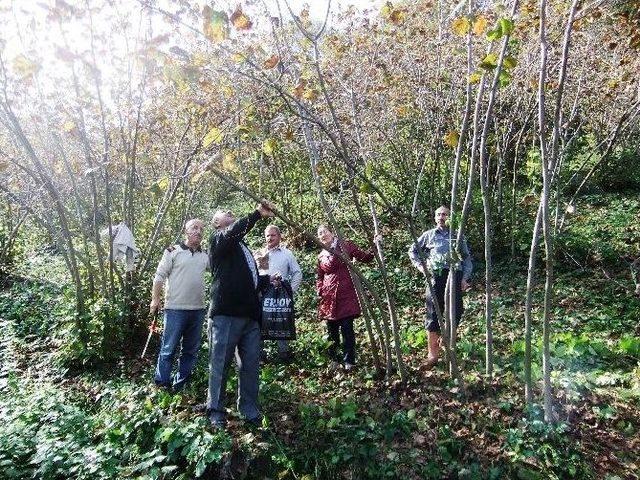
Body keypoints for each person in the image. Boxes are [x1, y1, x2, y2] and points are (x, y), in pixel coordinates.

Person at [206, 202, 278, 428]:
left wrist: (267, 280)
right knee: (221, 363)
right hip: (227, 313)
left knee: (250, 365)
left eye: (230, 211)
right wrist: (257, 214)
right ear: (217, 223)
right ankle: (215, 410)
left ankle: (249, 410)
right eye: (223, 212)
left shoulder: (241, 246)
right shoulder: (218, 240)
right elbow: (234, 232)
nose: (229, 211)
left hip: (250, 316)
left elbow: (248, 279)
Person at [408, 205, 472, 368]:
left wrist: (464, 278)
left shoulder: (457, 236)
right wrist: (422, 267)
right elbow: (412, 251)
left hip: (454, 276)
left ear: (450, 217)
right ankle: (432, 355)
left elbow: (466, 259)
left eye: (445, 214)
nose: (442, 217)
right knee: (433, 313)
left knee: (456, 310)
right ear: (435, 217)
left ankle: (448, 345)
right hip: (435, 277)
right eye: (439, 214)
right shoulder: (428, 235)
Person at [150, 219, 209, 392]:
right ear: (186, 231)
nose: (198, 231)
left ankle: (180, 384)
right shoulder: (173, 251)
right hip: (175, 308)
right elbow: (159, 276)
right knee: (168, 348)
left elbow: (220, 270)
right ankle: (162, 383)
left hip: (197, 310)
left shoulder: (205, 254)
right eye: (194, 228)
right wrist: (155, 299)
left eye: (201, 229)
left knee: (190, 351)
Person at [316, 225, 375, 371]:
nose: (323, 235)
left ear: (332, 232)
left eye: (325, 232)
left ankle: (349, 361)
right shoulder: (321, 255)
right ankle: (334, 361)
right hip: (329, 297)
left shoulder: (345, 245)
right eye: (319, 234)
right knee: (332, 331)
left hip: (346, 294)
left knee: (347, 329)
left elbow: (364, 257)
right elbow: (320, 276)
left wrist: (375, 245)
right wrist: (320, 290)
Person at [257, 225, 302, 363]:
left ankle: (284, 353)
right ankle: (260, 355)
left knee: (281, 321)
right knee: (260, 322)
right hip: (262, 294)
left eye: (273, 235)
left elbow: (297, 273)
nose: (270, 238)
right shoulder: (259, 254)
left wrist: (290, 291)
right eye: (267, 235)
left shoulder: (287, 253)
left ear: (279, 236)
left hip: (280, 294)